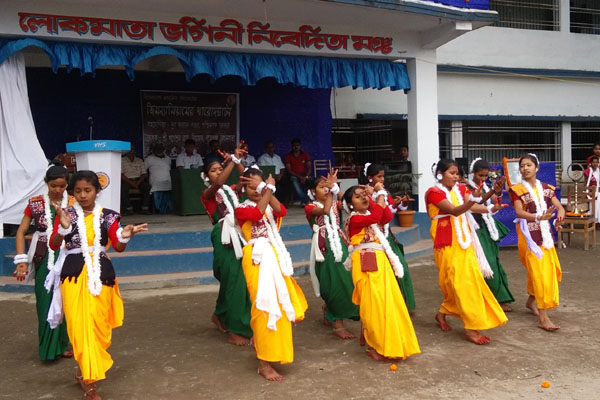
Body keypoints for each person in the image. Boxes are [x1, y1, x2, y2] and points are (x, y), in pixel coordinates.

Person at [49, 170, 147, 399]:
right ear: (72, 193)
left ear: (97, 191)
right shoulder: (66, 214)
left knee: (98, 326)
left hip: (102, 276)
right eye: (78, 191)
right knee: (79, 326)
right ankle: (88, 378)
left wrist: (127, 235)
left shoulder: (109, 216)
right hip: (73, 275)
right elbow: (54, 245)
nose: (83, 195)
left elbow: (118, 245)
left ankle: (85, 371)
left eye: (88, 190)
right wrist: (63, 228)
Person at [235, 167, 308, 381]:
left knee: (280, 305)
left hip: (274, 255)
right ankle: (263, 362)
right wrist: (266, 188)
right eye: (250, 185)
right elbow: (255, 214)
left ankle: (274, 351)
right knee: (263, 306)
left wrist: (266, 189)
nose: (255, 189)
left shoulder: (268, 203)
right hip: (256, 257)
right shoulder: (241, 208)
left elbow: (281, 210)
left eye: (257, 184)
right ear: (243, 188)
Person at [426, 158, 507, 345]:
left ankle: (445, 314)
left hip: (465, 241)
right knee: (459, 283)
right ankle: (471, 326)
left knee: (468, 282)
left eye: (457, 173)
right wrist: (473, 200)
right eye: (452, 173)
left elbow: (475, 203)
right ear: (440, 174)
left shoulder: (460, 189)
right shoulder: (433, 193)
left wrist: (491, 195)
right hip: (446, 243)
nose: (456, 177)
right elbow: (455, 210)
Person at [342, 184, 420, 361]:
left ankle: (388, 341)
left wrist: (376, 196)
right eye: (358, 196)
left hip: (380, 260)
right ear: (350, 204)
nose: (363, 198)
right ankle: (374, 345)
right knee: (374, 305)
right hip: (365, 260)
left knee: (388, 302)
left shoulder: (369, 215)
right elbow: (377, 216)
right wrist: (379, 195)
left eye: (364, 194)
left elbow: (386, 217)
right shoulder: (354, 219)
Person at [12, 163, 74, 361]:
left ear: (67, 185)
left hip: (67, 256)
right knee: (44, 301)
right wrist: (21, 261)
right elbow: (21, 232)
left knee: (66, 301)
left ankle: (63, 344)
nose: (57, 190)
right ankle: (48, 349)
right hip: (43, 258)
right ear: (46, 183)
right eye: (53, 185)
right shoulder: (35, 203)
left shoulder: (74, 203)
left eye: (62, 186)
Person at [200, 143, 252, 346]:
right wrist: (232, 161)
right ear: (206, 176)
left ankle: (220, 315)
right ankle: (236, 330)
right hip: (224, 235)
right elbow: (219, 182)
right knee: (235, 280)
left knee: (237, 278)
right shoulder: (208, 193)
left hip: (240, 233)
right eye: (213, 170)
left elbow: (247, 179)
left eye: (220, 168)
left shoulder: (232, 190)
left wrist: (238, 161)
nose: (218, 172)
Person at [509, 153, 565, 331]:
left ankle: (530, 302)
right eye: (522, 166)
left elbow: (559, 206)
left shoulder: (547, 188)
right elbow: (519, 212)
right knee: (541, 275)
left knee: (548, 272)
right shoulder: (517, 190)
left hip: (545, 236)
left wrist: (560, 215)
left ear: (537, 167)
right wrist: (538, 217)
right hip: (529, 239)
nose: (525, 168)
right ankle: (543, 318)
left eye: (528, 165)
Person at [305, 171, 359, 339]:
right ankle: (337, 324)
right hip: (324, 245)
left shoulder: (337, 203)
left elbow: (351, 205)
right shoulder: (310, 207)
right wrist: (331, 192)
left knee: (345, 278)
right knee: (331, 280)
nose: (326, 190)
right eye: (322, 187)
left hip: (340, 242)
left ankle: (331, 311)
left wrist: (335, 188)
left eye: (326, 187)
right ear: (313, 191)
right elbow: (325, 210)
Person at [361, 163, 415, 311]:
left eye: (383, 176)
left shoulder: (383, 192)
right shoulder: (363, 193)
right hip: (373, 236)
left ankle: (402, 303)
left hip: (386, 235)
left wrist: (399, 204)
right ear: (370, 177)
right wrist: (377, 196)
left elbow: (388, 212)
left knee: (401, 267)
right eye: (379, 176)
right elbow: (375, 213)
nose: (382, 179)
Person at [467, 158, 514, 312]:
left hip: (488, 226)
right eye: (480, 175)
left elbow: (495, 201)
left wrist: (497, 191)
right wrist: (492, 202)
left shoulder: (486, 186)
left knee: (494, 260)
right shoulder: (466, 188)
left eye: (485, 176)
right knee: (486, 263)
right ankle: (487, 298)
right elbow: (475, 205)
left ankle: (498, 298)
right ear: (473, 172)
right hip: (476, 228)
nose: (483, 178)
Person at [121, 144, 151, 215]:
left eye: (133, 149)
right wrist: (131, 183)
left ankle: (145, 208)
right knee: (123, 188)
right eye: (130, 149)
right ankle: (128, 209)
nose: (132, 151)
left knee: (147, 187)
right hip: (127, 180)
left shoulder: (139, 160)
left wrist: (138, 182)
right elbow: (121, 175)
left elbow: (144, 174)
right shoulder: (122, 160)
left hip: (138, 180)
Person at [144, 143, 172, 214]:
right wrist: (147, 180)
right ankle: (158, 210)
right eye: (157, 149)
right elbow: (144, 171)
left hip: (168, 181)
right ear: (153, 150)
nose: (159, 150)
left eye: (160, 149)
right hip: (155, 182)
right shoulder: (149, 159)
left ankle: (167, 211)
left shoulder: (168, 159)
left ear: (163, 149)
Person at [284, 138, 311, 205]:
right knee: (295, 183)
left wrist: (306, 177)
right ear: (292, 146)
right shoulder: (288, 156)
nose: (296, 147)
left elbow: (309, 167)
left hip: (304, 175)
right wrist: (299, 177)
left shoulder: (305, 154)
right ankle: (307, 200)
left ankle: (309, 200)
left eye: (297, 145)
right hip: (294, 176)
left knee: (312, 181)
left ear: (300, 146)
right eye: (294, 145)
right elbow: (289, 170)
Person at [584, 155, 600, 226]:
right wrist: (586, 191)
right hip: (590, 192)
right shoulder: (587, 172)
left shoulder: (599, 171)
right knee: (594, 204)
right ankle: (594, 221)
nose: (595, 164)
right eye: (594, 162)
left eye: (597, 162)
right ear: (591, 163)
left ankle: (598, 222)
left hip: (598, 191)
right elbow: (585, 183)